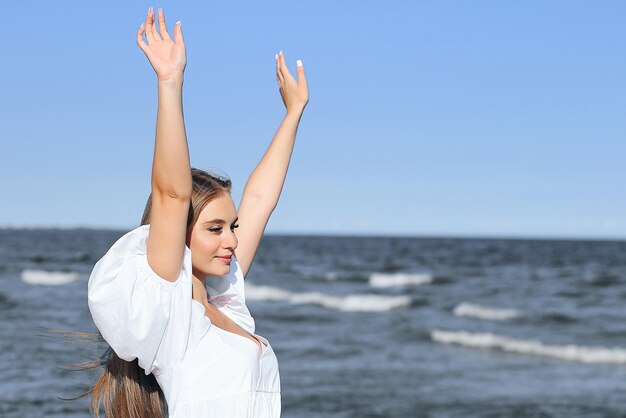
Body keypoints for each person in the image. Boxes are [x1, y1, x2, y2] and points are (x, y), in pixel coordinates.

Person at [85, 7, 308, 418]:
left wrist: (293, 113)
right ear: (178, 235)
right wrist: (170, 82)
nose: (233, 240)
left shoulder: (227, 304)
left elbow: (259, 201)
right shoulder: (172, 315)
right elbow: (171, 193)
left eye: (232, 227)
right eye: (215, 228)